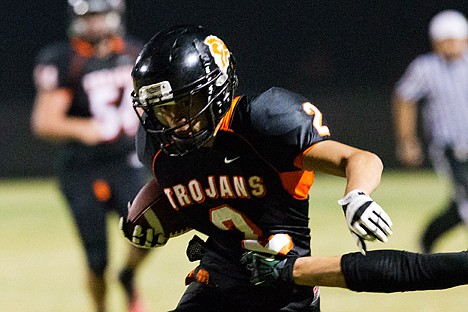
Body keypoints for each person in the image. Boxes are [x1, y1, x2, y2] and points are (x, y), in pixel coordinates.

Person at [119, 25, 468, 312]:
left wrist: (357, 194)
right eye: (163, 111)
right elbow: (176, 195)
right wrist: (147, 224)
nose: (175, 122)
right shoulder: (158, 146)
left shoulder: (263, 121)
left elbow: (359, 159)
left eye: (185, 104)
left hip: (286, 289)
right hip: (214, 284)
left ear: (216, 89)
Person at [30, 1, 150, 311]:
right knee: (97, 259)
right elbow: (44, 121)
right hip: (82, 168)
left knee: (150, 229)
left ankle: (128, 275)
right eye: (88, 16)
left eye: (98, 15)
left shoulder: (135, 54)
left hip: (126, 162)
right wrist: (84, 128)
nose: (94, 24)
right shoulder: (64, 59)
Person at [392, 9, 468, 253]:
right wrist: (407, 140)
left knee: (461, 203)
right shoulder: (425, 67)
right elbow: (404, 98)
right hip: (450, 148)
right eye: (445, 40)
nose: (450, 45)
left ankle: (429, 236)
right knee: (466, 196)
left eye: (455, 39)